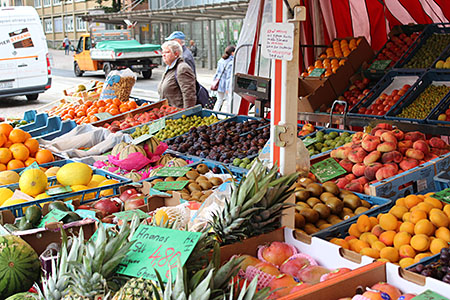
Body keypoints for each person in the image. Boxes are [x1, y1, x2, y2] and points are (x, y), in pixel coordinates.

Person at [158, 40, 197, 109]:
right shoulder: (169, 67)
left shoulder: (182, 68)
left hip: (178, 113)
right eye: (163, 52)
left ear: (176, 53)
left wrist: (186, 113)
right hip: (169, 112)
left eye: (167, 52)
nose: (163, 55)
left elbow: (189, 95)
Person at [212, 45, 235, 112]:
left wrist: (214, 82)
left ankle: (214, 114)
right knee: (229, 101)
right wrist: (228, 88)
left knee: (219, 100)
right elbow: (229, 77)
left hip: (219, 84)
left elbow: (217, 73)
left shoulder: (221, 60)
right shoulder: (231, 62)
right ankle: (228, 115)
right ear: (232, 53)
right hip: (225, 84)